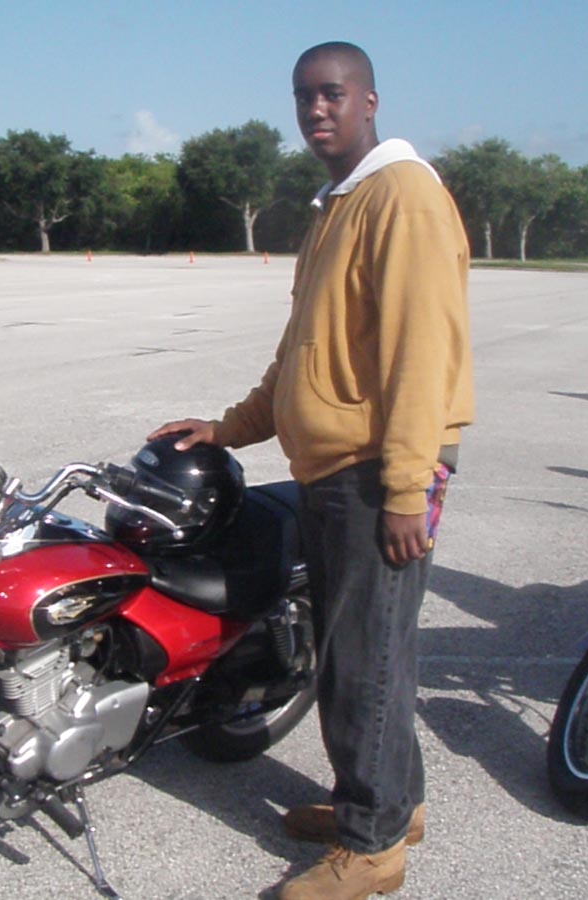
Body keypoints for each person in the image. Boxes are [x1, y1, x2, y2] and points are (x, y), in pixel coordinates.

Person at [149, 41, 473, 899]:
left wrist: (406, 489)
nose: (315, 110)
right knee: (359, 651)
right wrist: (228, 428)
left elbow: (420, 355)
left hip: (378, 469)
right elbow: (305, 352)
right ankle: (394, 804)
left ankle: (373, 848)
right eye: (303, 97)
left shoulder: (402, 196)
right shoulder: (342, 202)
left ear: (370, 101)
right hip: (342, 465)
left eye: (332, 94)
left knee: (363, 661)